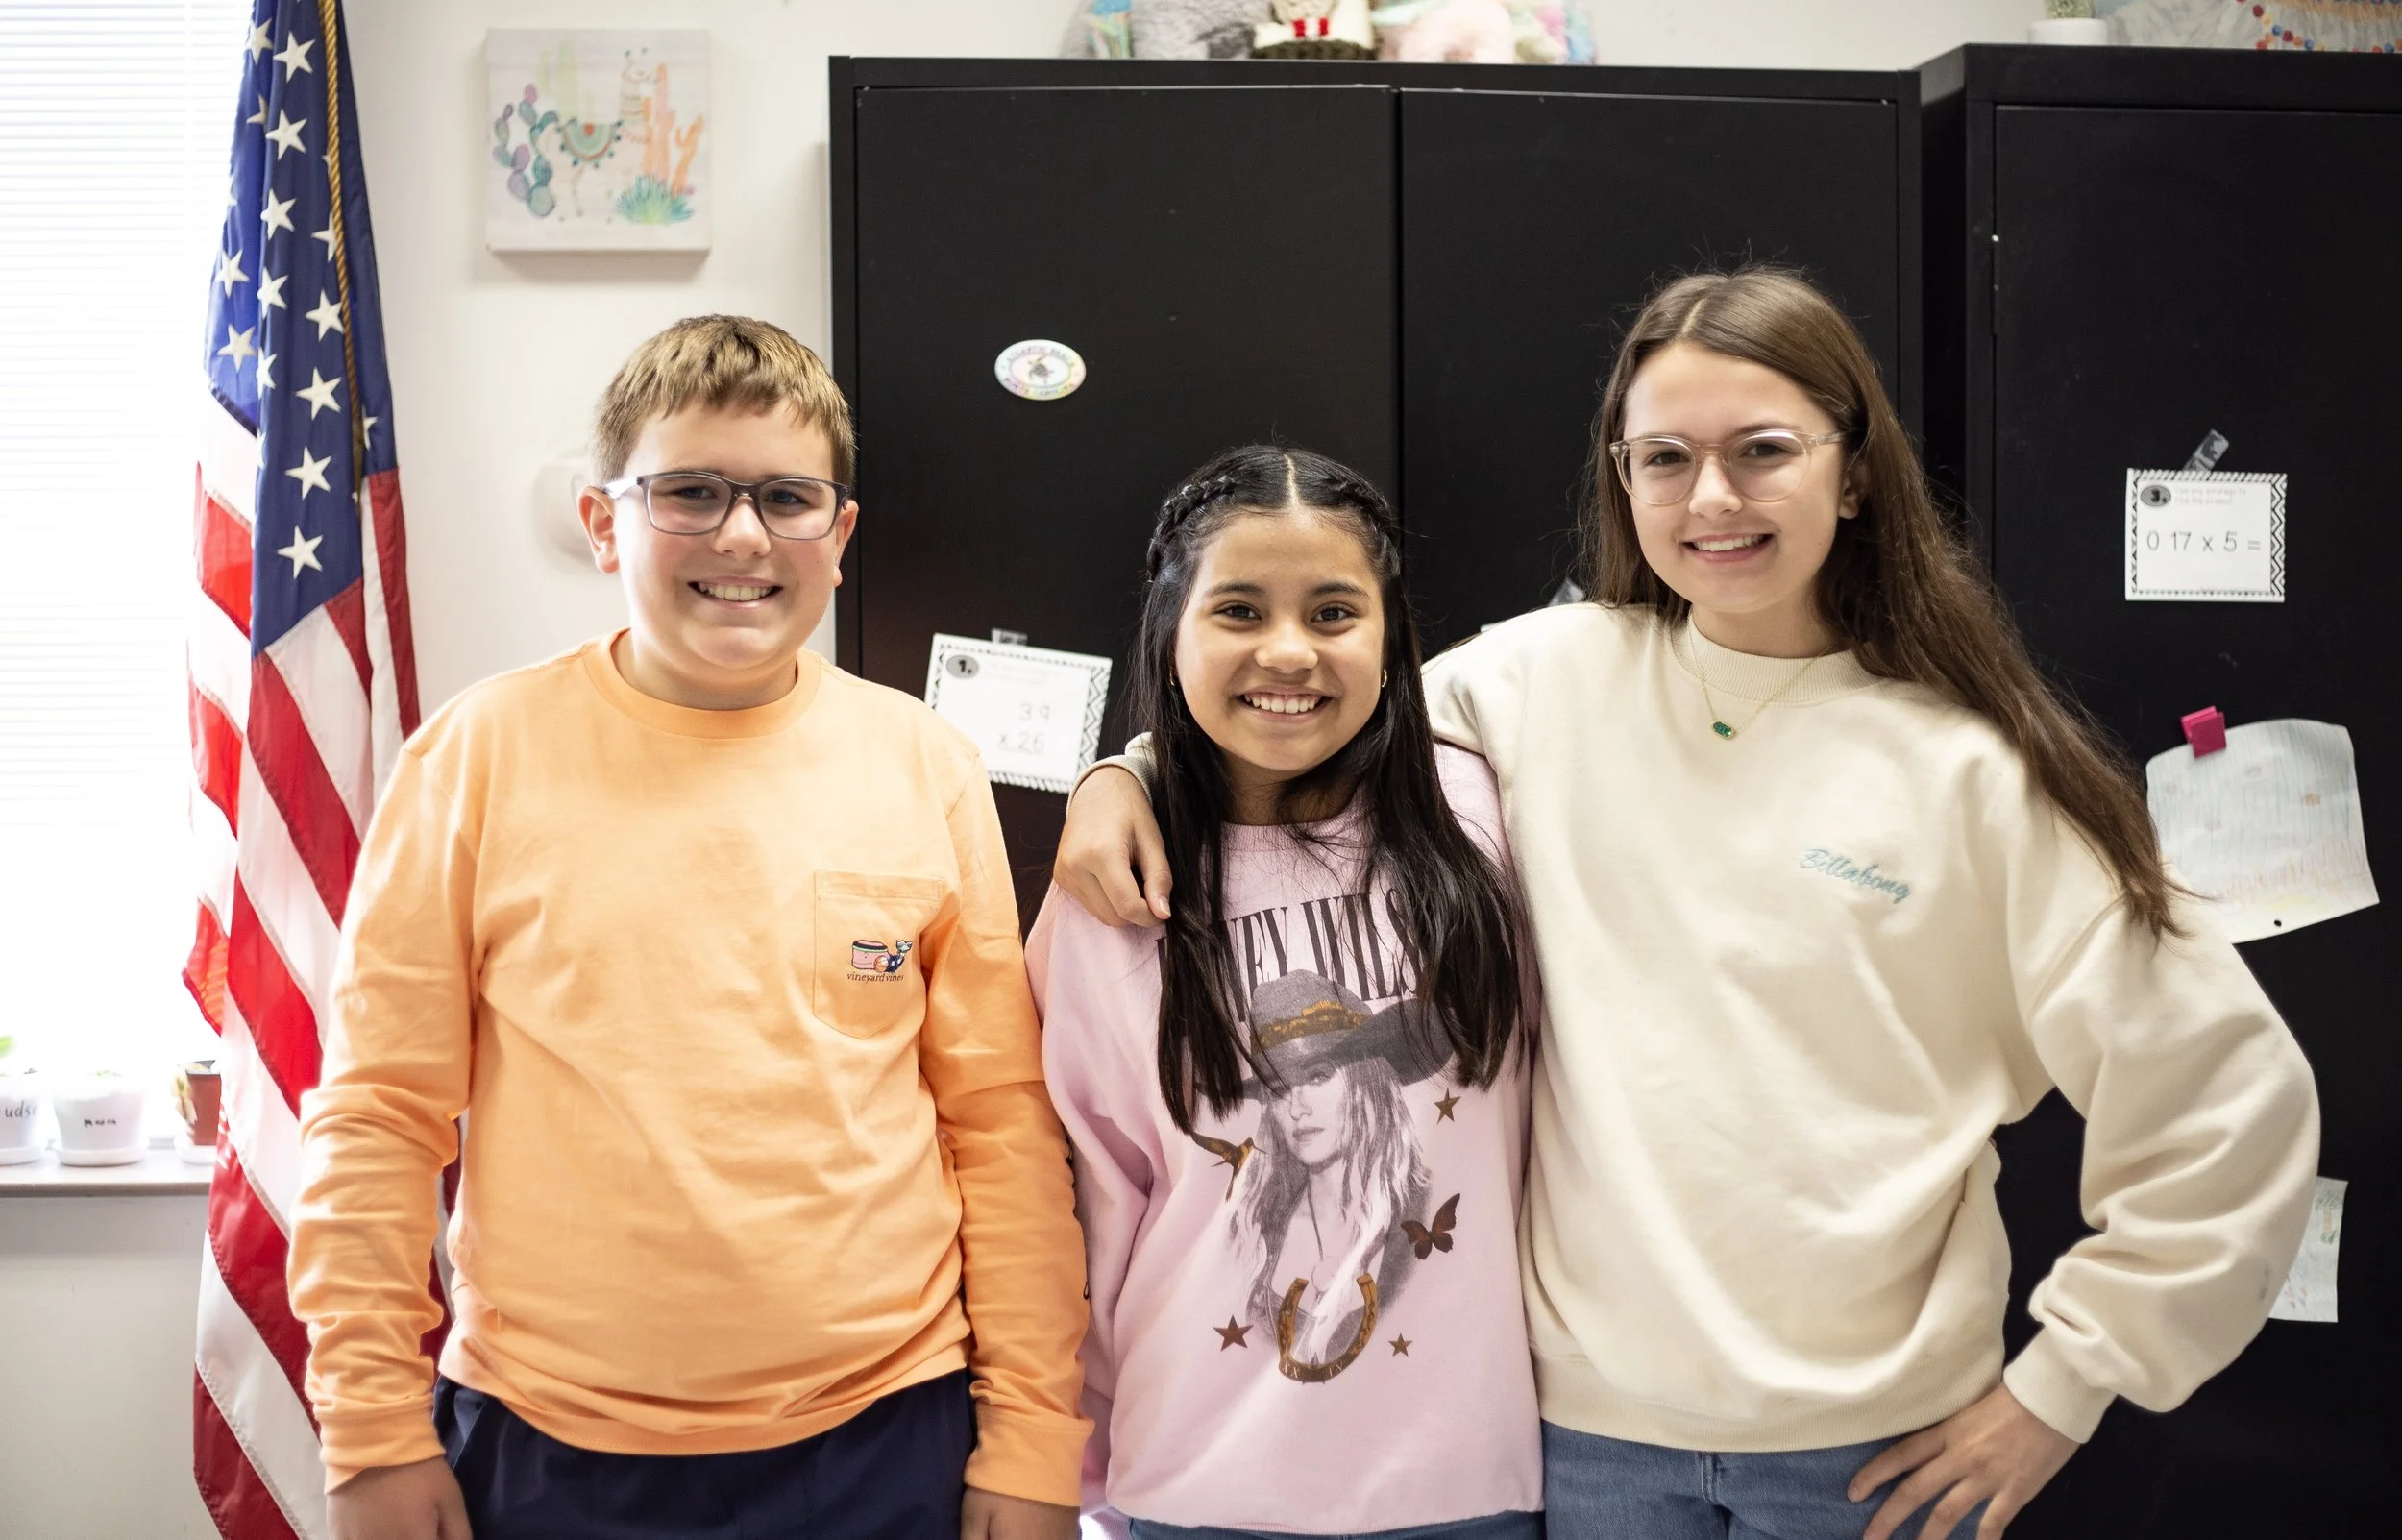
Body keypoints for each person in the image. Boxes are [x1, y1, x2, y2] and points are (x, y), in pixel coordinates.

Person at [1053, 272, 2321, 1540]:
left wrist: (2064, 1383)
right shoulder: (1548, 681)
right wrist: (1129, 771)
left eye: (1762, 450)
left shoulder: (1978, 773)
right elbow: (1304, 704)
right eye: (1665, 457)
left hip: (1870, 1461)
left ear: (1856, 471)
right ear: (1623, 478)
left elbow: (2231, 1102)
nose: (1710, 497)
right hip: (1582, 1451)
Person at [288, 315, 1090, 1540]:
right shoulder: (475, 756)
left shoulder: (924, 761)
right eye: (690, 492)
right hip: (544, 1446)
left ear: (839, 535)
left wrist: (1032, 1440)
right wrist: (371, 1429)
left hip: (889, 1438)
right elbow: (379, 1114)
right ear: (605, 522)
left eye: (785, 496)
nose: (740, 534)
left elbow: (1000, 1129)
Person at [1029, 447, 1543, 1538]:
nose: (1287, 650)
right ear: (1170, 631)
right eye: (1239, 609)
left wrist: (1120, 765)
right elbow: (1086, 1206)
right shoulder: (1112, 887)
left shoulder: (1485, 808)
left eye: (1332, 610)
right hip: (1196, 1486)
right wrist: (1075, 1471)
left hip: (1470, 1488)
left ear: (1391, 636)